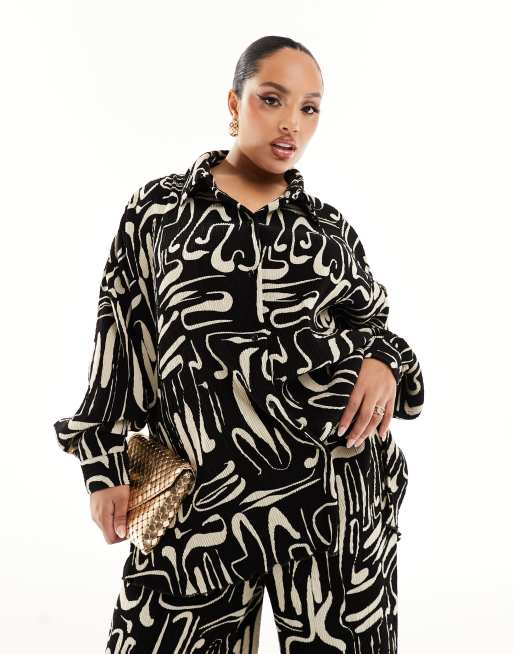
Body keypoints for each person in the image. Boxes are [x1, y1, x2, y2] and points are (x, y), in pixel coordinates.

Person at [53, 35, 424, 653]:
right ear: (234, 102)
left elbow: (373, 326)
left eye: (309, 108)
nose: (291, 123)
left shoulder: (327, 229)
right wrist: (103, 467)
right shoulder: (160, 212)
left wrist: (386, 362)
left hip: (335, 496)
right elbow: (119, 342)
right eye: (272, 99)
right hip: (198, 498)